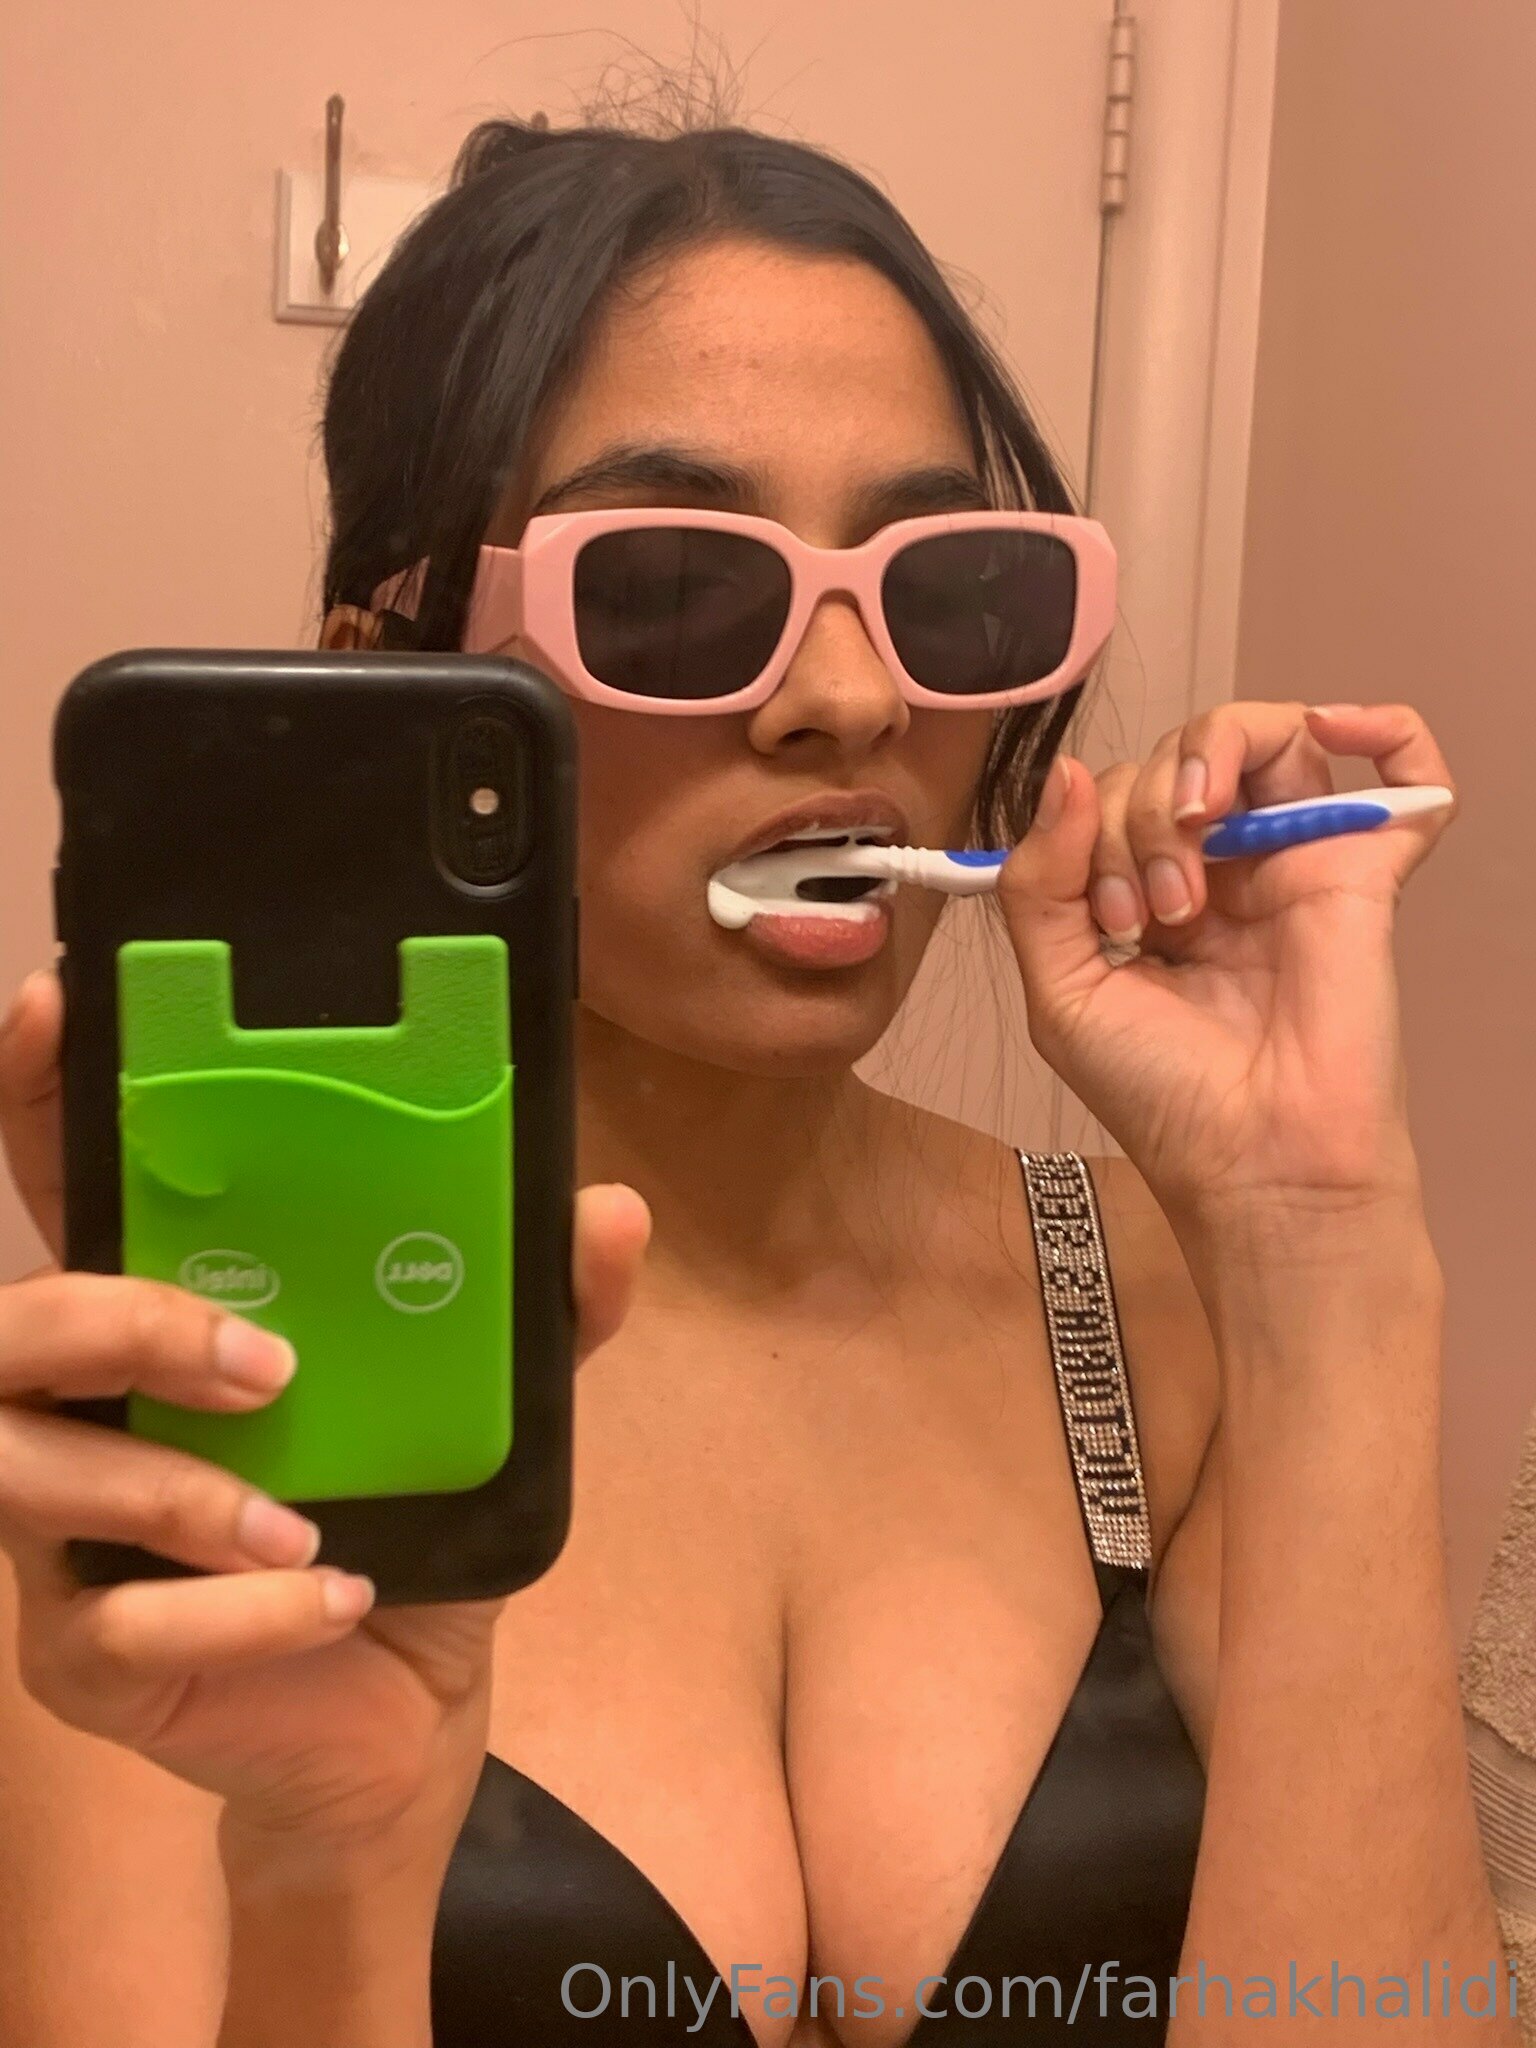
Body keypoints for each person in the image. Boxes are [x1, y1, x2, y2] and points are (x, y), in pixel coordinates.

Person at [0, 103, 1513, 2048]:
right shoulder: (218, 1376)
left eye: (950, 593)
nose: (853, 699)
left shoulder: (1161, 1309)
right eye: (670, 590)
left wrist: (1323, 1241)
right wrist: (332, 1860)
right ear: (395, 665)